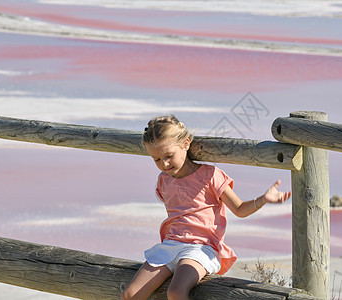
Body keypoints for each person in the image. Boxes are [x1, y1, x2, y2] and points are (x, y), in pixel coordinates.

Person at [121, 115, 291, 300]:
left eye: (169, 156)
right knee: (130, 295)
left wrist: (263, 199)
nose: (164, 164)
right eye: (157, 159)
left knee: (176, 292)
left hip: (201, 248)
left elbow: (240, 209)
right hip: (170, 246)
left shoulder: (211, 176)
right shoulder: (163, 180)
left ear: (186, 144)